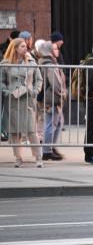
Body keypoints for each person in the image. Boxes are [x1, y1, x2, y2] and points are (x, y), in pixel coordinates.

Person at [0, 38, 43, 167]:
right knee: (15, 132)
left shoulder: (31, 62)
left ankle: (38, 158)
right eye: (22, 46)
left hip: (27, 100)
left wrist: (35, 91)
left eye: (26, 46)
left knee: (31, 130)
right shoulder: (5, 64)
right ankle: (18, 158)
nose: (26, 48)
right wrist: (7, 91)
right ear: (15, 48)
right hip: (13, 100)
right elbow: (1, 81)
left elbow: (39, 79)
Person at [38, 41, 67, 161]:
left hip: (52, 97)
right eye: (54, 49)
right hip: (52, 98)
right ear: (49, 51)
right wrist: (63, 93)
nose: (57, 51)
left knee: (58, 122)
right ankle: (47, 150)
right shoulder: (49, 64)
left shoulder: (49, 62)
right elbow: (55, 83)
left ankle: (50, 148)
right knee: (51, 124)